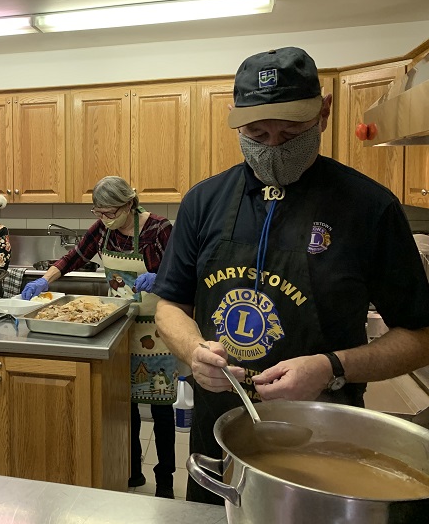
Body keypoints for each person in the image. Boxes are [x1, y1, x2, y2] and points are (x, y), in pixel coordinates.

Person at [152, 47, 429, 504]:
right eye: (258, 133)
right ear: (236, 123)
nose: (275, 147)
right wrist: (193, 349)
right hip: (218, 437)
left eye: (292, 130)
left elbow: (420, 336)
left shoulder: (370, 208)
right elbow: (169, 306)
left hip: (323, 437)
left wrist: (331, 367)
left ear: (324, 113)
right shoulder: (203, 201)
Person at [21, 176, 177, 498]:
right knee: (126, 404)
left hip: (157, 328)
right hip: (120, 324)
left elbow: (184, 269)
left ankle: (166, 481)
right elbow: (74, 257)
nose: (103, 218)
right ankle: (133, 471)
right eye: (98, 212)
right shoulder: (103, 229)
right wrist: (45, 280)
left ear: (129, 204)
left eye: (109, 212)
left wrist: (160, 276)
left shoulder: (158, 229)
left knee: (161, 406)